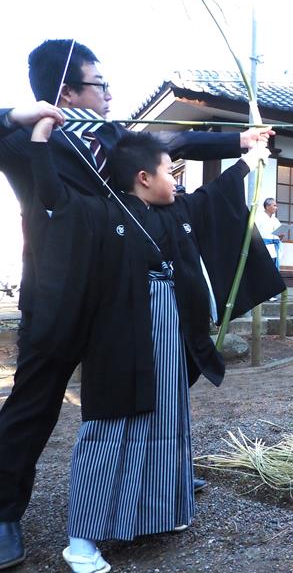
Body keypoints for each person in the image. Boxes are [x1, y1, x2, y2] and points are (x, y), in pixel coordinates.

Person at [0, 39, 275, 569]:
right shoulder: (24, 139)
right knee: (35, 402)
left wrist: (238, 138)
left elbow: (168, 140)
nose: (109, 92)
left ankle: (157, 479)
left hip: (124, 293)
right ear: (68, 90)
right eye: (99, 83)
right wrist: (18, 114)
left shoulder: (113, 137)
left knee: (153, 380)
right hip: (61, 292)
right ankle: (4, 512)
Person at [255, 197, 284, 269]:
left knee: (273, 269)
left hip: (274, 248)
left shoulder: (275, 219)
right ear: (267, 206)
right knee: (263, 268)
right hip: (263, 247)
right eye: (274, 205)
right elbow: (254, 232)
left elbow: (280, 236)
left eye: (276, 206)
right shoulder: (258, 217)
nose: (276, 208)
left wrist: (281, 235)